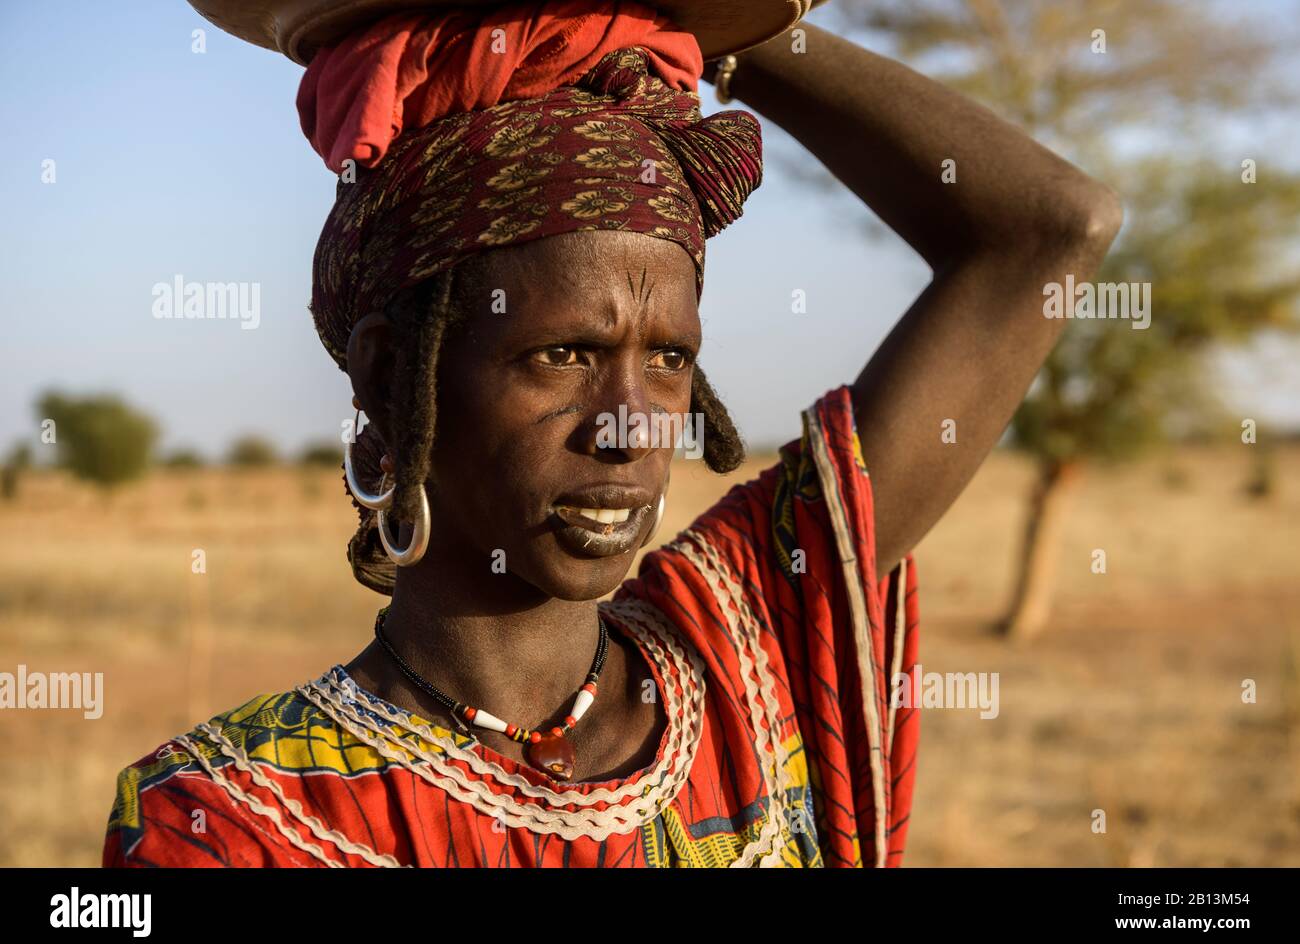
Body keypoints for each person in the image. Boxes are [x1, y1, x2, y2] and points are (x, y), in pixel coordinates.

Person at [102, 0, 1120, 867]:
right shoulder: (230, 822)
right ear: (387, 377)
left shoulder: (746, 641)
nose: (633, 426)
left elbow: (1050, 229)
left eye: (669, 359)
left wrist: (717, 27)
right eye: (564, 355)